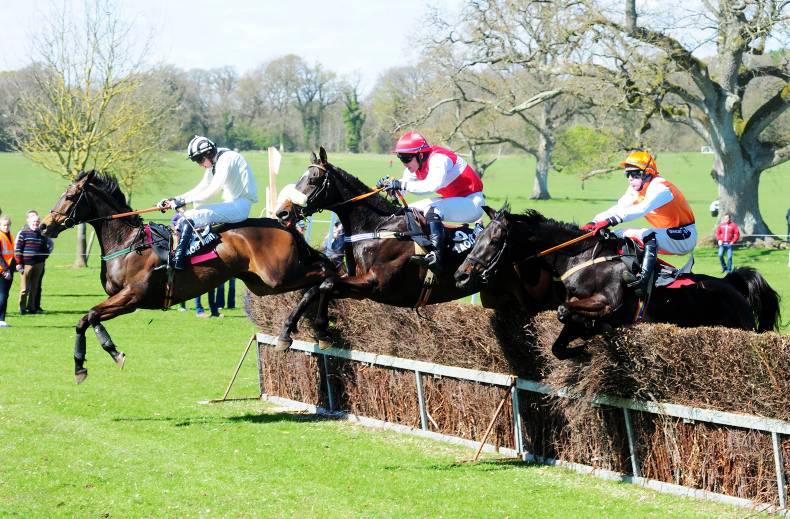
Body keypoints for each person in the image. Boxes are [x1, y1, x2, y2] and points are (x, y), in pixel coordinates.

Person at [581, 150, 696, 295]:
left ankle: (643, 281)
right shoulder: (635, 190)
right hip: (667, 234)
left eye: (635, 174)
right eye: (627, 174)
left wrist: (610, 221)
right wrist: (594, 221)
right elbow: (619, 208)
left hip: (685, 236)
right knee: (616, 234)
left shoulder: (661, 188)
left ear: (648, 173)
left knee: (646, 234)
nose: (630, 178)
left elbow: (641, 209)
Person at [376, 131, 485, 273]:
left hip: (472, 203)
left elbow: (432, 185)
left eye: (406, 158)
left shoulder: (439, 159)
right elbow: (404, 189)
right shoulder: (414, 167)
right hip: (454, 200)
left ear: (420, 155)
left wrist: (401, 184)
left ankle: (437, 257)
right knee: (406, 211)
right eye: (401, 157)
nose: (404, 163)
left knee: (433, 210)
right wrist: (390, 188)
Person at [157, 136, 257, 270]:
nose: (199, 164)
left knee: (191, 216)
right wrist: (174, 199)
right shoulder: (217, 159)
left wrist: (183, 201)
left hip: (240, 206)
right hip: (232, 203)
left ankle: (178, 261)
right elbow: (202, 187)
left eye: (199, 160)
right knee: (189, 214)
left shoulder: (226, 159)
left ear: (208, 153)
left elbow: (212, 190)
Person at [14, 210, 53, 315]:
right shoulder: (23, 233)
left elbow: (46, 247)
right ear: (29, 222)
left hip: (39, 264)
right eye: (34, 221)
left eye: (37, 222)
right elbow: (18, 249)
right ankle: (22, 308)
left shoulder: (42, 234)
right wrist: (18, 263)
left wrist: (44, 258)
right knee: (24, 289)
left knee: (34, 288)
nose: (35, 223)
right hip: (26, 265)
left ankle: (31, 308)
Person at [0, 215, 15, 327]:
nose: (6, 227)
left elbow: (11, 253)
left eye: (8, 225)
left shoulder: (10, 235)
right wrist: (5, 270)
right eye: (4, 225)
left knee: (5, 295)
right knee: (2, 295)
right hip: (2, 270)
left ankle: (2, 319)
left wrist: (16, 265)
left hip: (9, 269)